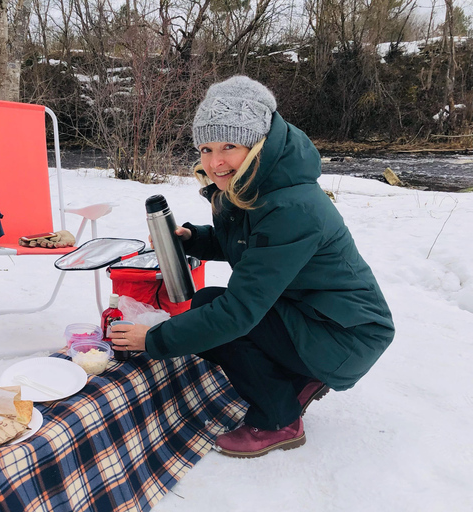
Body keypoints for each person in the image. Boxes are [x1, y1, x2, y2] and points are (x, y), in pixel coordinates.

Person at [109, 75, 395, 458]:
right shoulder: (262, 185)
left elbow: (240, 313)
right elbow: (254, 247)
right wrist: (196, 239)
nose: (215, 162)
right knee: (209, 301)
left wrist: (154, 340)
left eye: (230, 146)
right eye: (206, 148)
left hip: (347, 337)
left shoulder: (290, 206)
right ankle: (299, 376)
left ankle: (279, 420)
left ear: (259, 144)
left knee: (226, 322)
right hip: (321, 315)